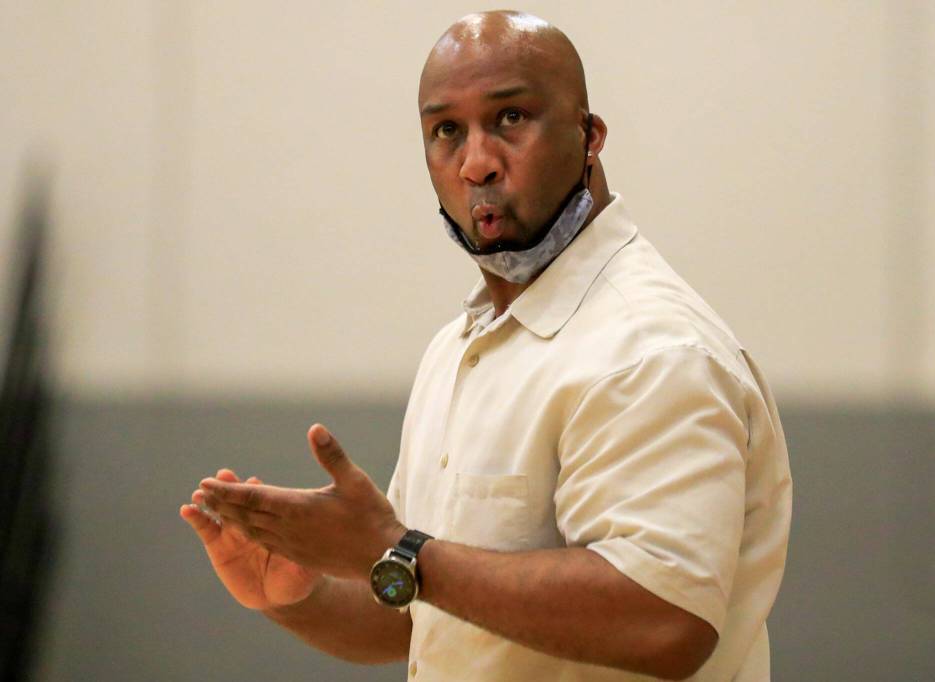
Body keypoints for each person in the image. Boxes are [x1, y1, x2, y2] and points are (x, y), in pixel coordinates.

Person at [181, 10, 792, 681]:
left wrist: (397, 550)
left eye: (511, 119)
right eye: (447, 131)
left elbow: (664, 620)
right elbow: (420, 609)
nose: (476, 163)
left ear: (589, 136)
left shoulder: (651, 348)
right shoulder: (461, 347)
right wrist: (297, 593)